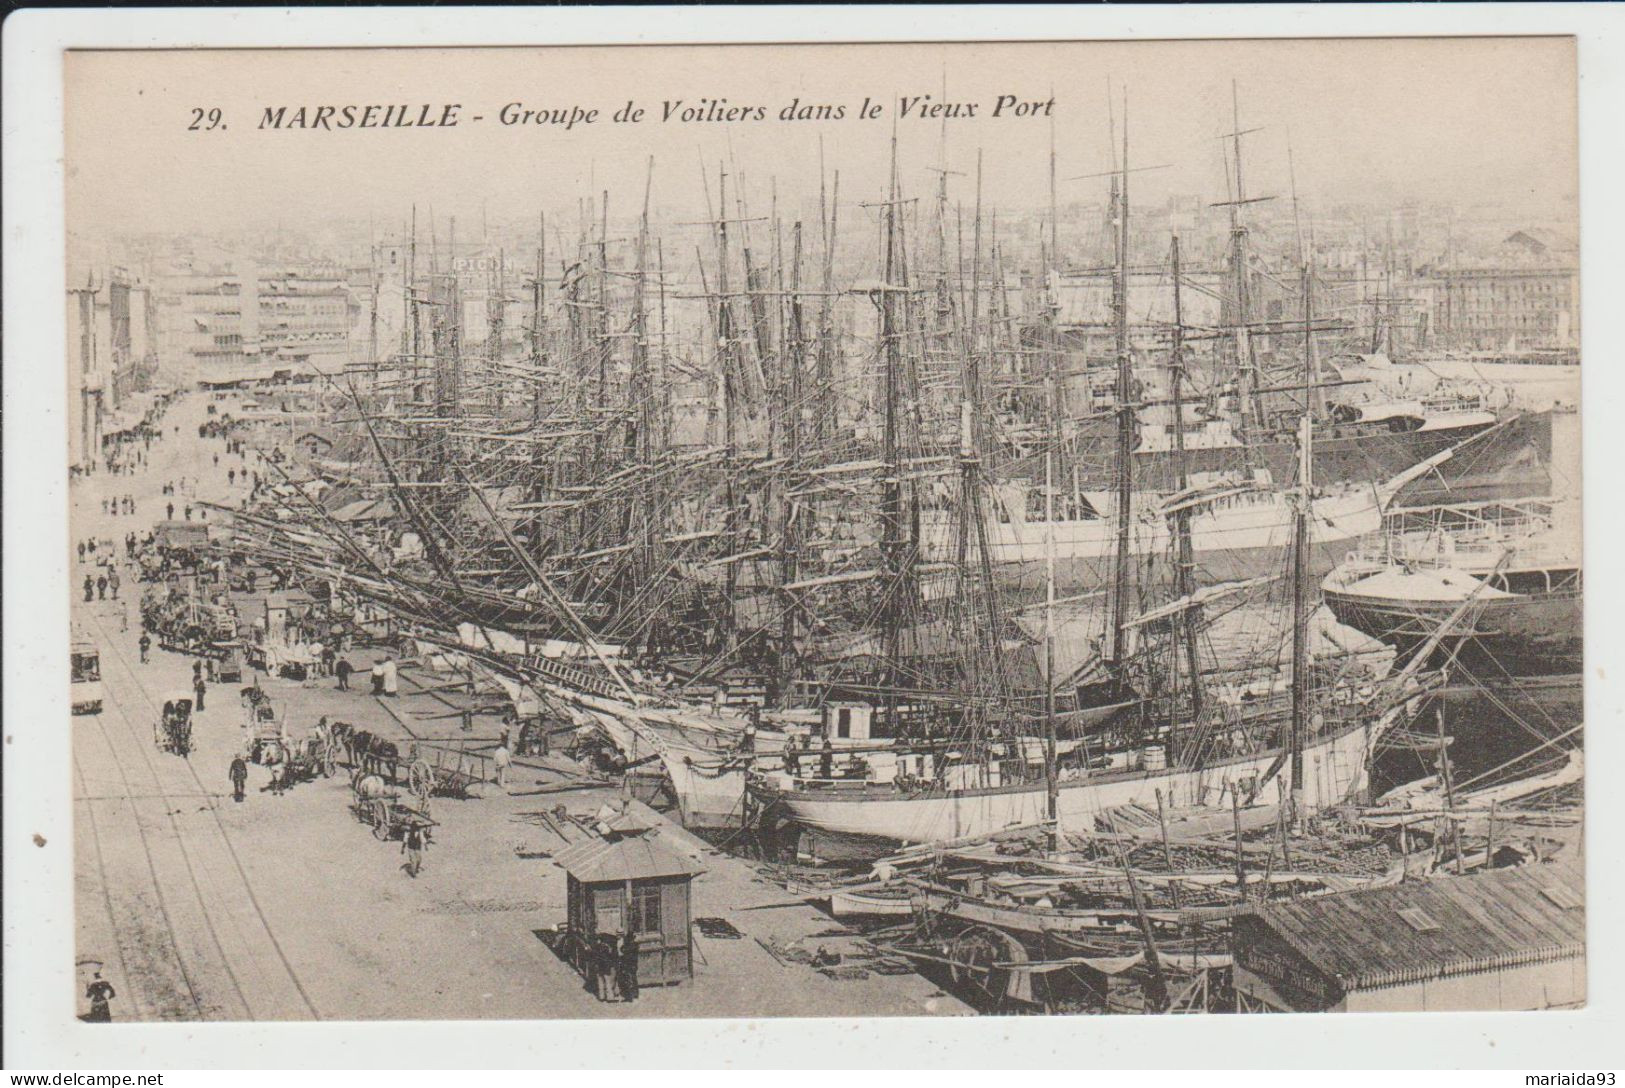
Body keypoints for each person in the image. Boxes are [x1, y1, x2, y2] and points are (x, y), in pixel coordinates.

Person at [617, 931, 641, 1003]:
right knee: (633, 979)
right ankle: (635, 994)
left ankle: (629, 996)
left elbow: (623, 950)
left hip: (628, 964)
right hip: (633, 964)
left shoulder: (630, 946)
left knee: (628, 980)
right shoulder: (635, 945)